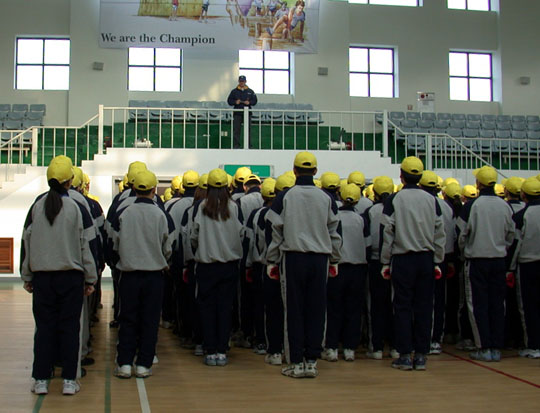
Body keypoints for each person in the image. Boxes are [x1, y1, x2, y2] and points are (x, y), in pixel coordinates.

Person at [21, 157, 97, 396]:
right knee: (70, 329)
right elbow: (86, 245)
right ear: (70, 181)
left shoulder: (36, 206)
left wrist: (27, 275)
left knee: (44, 329)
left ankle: (41, 379)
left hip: (43, 279)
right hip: (70, 279)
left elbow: (27, 241)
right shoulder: (77, 208)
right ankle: (69, 380)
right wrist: (90, 278)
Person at [266, 151, 342, 378]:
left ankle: (296, 363)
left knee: (294, 310)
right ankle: (312, 362)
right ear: (316, 171)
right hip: (320, 259)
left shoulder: (284, 197)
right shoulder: (326, 198)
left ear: (294, 170)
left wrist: (272, 260)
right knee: (317, 310)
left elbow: (274, 231)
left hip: (293, 258)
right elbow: (335, 231)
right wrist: (334, 259)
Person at [380, 157, 446, 371]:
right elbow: (439, 233)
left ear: (401, 175)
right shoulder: (432, 200)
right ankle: (421, 355)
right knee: (425, 307)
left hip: (402, 259)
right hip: (426, 259)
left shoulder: (394, 200)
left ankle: (404, 355)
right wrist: (437, 260)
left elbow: (387, 233)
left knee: (402, 307)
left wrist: (385, 261)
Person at [111, 169, 176, 379]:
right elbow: (168, 246)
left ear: (133, 188)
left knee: (127, 319)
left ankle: (124, 363)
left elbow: (115, 243)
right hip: (154, 276)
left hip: (129, 275)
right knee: (150, 320)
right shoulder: (160, 214)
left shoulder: (124, 213)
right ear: (154, 189)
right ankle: (144, 364)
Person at [457, 166, 515, 362]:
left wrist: (465, 251)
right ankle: (496, 347)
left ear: (478, 184)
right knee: (498, 304)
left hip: (477, 260)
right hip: (498, 260)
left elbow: (461, 234)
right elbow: (511, 234)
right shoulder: (504, 206)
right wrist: (501, 247)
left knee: (477, 304)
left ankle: (483, 347)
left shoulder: (471, 206)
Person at [191, 168, 244, 366]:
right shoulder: (234, 207)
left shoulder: (201, 207)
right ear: (227, 187)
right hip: (229, 266)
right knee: (225, 308)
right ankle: (222, 351)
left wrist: (202, 248)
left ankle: (210, 349)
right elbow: (240, 233)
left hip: (206, 266)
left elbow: (194, 235)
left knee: (206, 309)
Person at [322, 183, 371, 363]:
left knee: (334, 308)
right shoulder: (361, 220)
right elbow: (368, 244)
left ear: (340, 197)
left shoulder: (334, 217)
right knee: (354, 309)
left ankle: (332, 347)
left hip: (337, 267)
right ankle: (350, 348)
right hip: (358, 268)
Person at [364, 176, 397, 360]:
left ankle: (376, 347)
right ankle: (395, 346)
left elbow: (367, 240)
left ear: (374, 193)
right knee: (395, 305)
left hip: (376, 262)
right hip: (394, 260)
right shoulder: (397, 208)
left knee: (376, 306)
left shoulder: (370, 211)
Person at [509, 177, 540, 359]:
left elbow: (515, 244)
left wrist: (510, 268)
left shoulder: (521, 216)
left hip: (528, 265)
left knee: (528, 306)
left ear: (524, 195)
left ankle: (533, 345)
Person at [227, 75, 257, 149]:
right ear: (238, 81)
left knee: (248, 130)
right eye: (240, 81)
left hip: (248, 113)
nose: (242, 83)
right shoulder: (234, 91)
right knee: (236, 130)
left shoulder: (250, 91)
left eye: (243, 81)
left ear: (245, 81)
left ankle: (248, 146)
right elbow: (229, 101)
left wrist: (249, 102)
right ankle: (236, 146)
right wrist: (235, 102)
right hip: (237, 113)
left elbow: (255, 101)